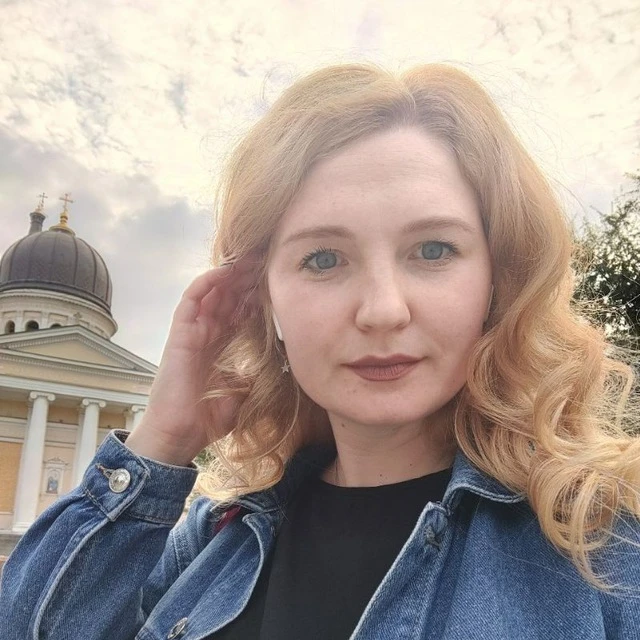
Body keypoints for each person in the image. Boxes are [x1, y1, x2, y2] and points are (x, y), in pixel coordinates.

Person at [1, 62, 639, 640]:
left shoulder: (608, 545)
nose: (383, 309)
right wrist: (163, 440)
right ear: (264, 299)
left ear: (497, 280)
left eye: (433, 249)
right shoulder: (212, 540)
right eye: (324, 259)